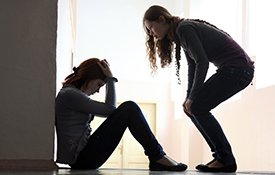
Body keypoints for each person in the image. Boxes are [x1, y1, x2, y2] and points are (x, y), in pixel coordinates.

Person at [143, 5, 254, 173]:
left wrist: (193, 98)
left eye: (151, 28)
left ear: (161, 19)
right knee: (192, 108)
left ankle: (225, 159)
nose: (152, 34)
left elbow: (202, 62)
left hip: (238, 69)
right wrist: (188, 98)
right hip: (236, 70)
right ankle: (221, 157)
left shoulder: (184, 29)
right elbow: (193, 65)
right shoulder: (180, 32)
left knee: (197, 107)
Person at [55, 58, 187, 171]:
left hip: (83, 157)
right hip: (82, 160)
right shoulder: (70, 95)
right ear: (89, 77)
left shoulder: (71, 95)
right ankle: (157, 156)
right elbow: (110, 109)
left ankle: (157, 156)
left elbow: (108, 111)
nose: (98, 90)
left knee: (129, 108)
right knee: (129, 108)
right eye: (99, 84)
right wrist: (111, 79)